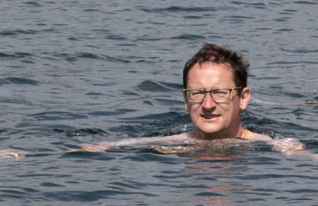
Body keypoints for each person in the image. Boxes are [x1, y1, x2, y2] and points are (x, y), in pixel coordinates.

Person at [74, 42, 304, 153]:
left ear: (243, 98)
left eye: (219, 93)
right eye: (197, 93)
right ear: (185, 102)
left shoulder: (275, 148)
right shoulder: (167, 143)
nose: (207, 104)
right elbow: (109, 147)